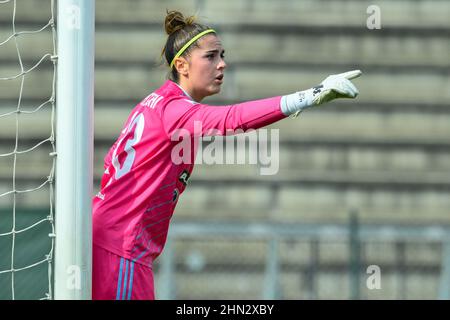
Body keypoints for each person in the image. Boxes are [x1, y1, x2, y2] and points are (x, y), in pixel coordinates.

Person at [92, 10, 362, 300]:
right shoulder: (175, 110)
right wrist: (308, 96)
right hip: (121, 247)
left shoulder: (159, 103)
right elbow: (232, 119)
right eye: (210, 57)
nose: (222, 64)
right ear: (182, 65)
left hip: (115, 242)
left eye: (222, 55)